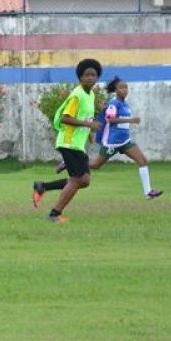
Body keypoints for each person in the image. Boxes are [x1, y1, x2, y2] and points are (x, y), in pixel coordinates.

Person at [32, 58, 104, 223]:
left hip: (77, 144)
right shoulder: (77, 96)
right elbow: (66, 118)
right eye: (86, 75)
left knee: (84, 181)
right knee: (77, 180)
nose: (90, 78)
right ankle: (54, 214)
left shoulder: (91, 95)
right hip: (68, 142)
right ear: (80, 77)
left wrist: (89, 133)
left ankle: (43, 187)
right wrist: (88, 125)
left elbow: (85, 116)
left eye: (93, 75)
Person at [86, 77, 163, 199]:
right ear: (116, 90)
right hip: (112, 142)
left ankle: (148, 192)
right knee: (96, 165)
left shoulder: (125, 104)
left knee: (142, 160)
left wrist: (129, 121)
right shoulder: (114, 103)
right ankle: (70, 164)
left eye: (126, 87)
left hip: (125, 141)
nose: (124, 90)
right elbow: (110, 120)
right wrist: (130, 120)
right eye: (121, 88)